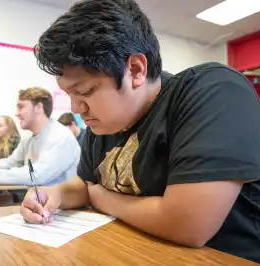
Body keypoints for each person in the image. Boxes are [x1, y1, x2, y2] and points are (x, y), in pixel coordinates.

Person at [20, 0, 260, 263]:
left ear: (135, 70)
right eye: (70, 94)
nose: (77, 107)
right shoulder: (101, 124)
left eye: (86, 91)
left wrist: (100, 197)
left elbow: (187, 225)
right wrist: (54, 194)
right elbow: (84, 184)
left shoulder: (213, 91)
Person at [0, 87, 80, 194]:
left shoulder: (60, 136)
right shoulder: (28, 140)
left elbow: (37, 175)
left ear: (38, 108)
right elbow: (9, 163)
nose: (16, 113)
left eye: (21, 107)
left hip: (63, 211)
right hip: (40, 207)